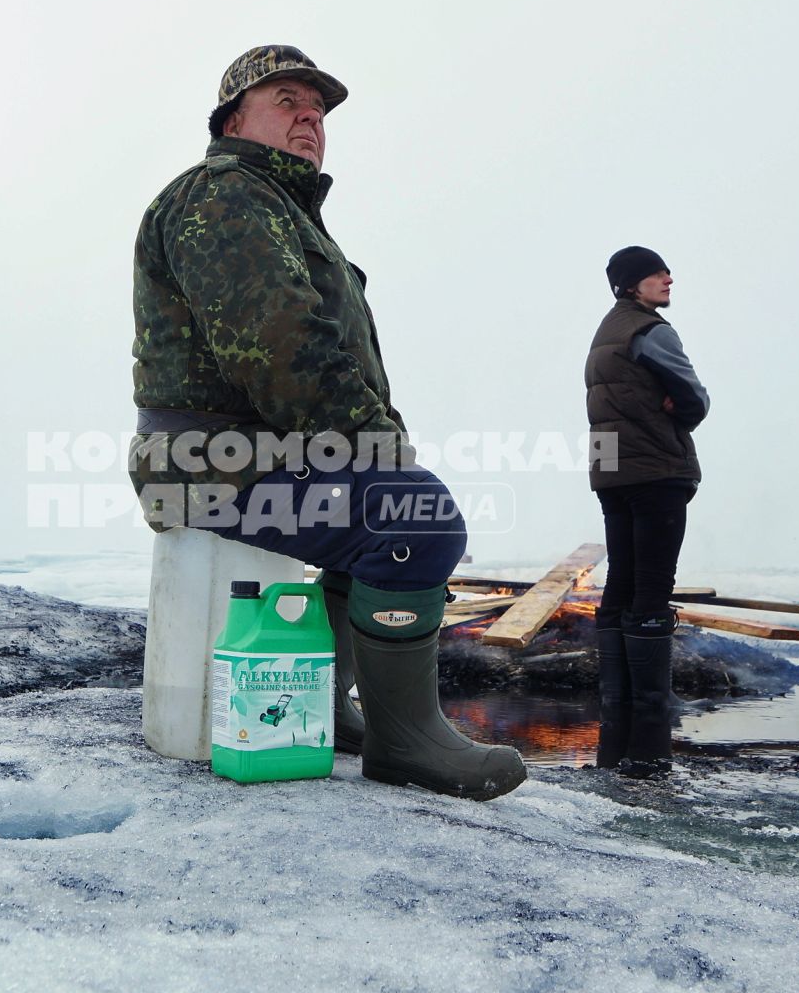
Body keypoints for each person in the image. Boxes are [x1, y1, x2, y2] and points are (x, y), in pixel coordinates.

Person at [128, 44, 525, 802]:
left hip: (247, 451)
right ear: (233, 118)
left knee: (390, 507)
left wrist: (381, 449)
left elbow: (329, 359)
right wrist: (382, 454)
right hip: (211, 461)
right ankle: (405, 742)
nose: (309, 118)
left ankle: (336, 708)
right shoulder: (225, 195)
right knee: (418, 518)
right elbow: (279, 344)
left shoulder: (278, 208)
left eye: (317, 111)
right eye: (288, 102)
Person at [585, 246, 710, 777]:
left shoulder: (603, 334)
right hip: (656, 471)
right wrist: (677, 409)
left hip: (612, 474)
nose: (668, 278)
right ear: (633, 284)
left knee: (623, 585)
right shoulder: (651, 331)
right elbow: (696, 399)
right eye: (657, 273)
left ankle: (618, 724)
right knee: (653, 590)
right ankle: (652, 738)